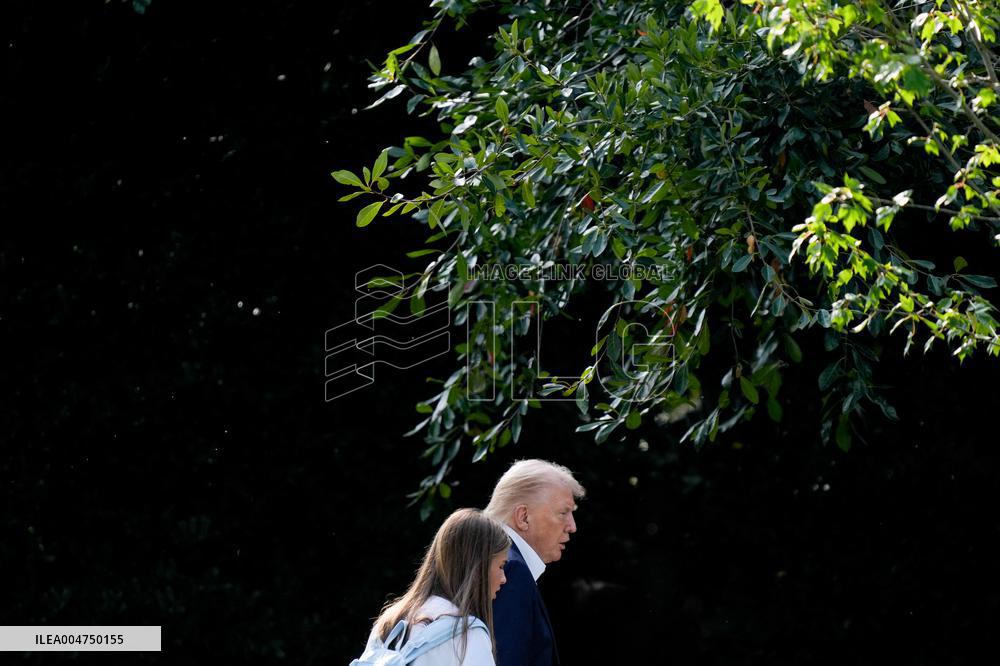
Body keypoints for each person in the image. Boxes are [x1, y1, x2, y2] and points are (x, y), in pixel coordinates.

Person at [361, 508, 511, 665]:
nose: (503, 579)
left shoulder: (388, 623)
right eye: (501, 566)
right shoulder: (468, 635)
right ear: (478, 568)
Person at [484, 460, 586, 666]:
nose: (572, 526)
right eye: (563, 512)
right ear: (523, 517)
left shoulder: (487, 559)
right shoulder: (510, 570)